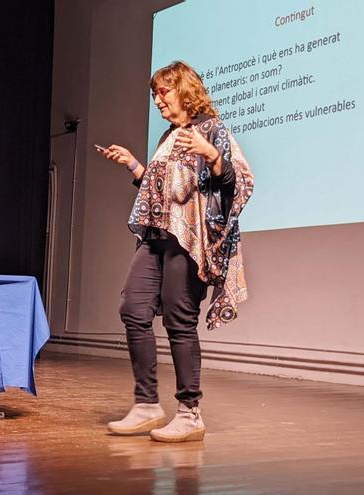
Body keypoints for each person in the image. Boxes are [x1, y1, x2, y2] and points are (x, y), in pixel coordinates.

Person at [99, 61, 254, 442]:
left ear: (184, 90)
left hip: (189, 242)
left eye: (163, 92)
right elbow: (161, 192)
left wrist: (212, 155)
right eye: (154, 94)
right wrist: (134, 165)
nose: (157, 100)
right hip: (157, 238)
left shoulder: (211, 129)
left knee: (179, 320)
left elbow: (239, 183)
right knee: (133, 309)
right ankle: (147, 405)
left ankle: (189, 413)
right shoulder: (168, 137)